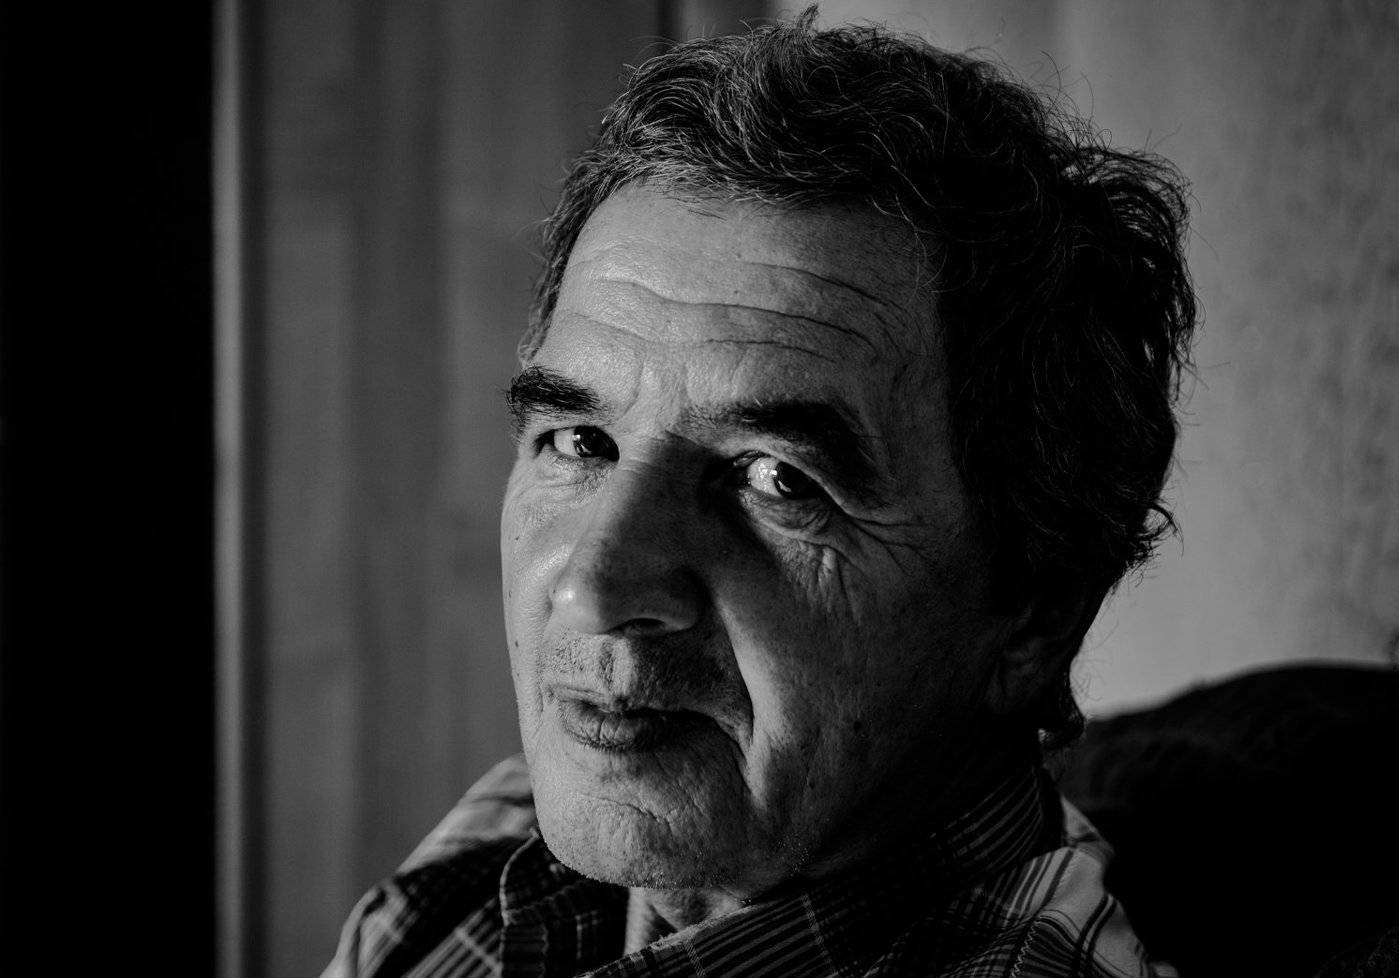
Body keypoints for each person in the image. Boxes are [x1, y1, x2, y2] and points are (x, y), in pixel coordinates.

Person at [326, 9, 1195, 976]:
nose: (594, 588)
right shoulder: (480, 859)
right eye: (580, 441)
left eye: (777, 478)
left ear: (1038, 609)